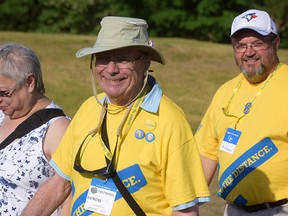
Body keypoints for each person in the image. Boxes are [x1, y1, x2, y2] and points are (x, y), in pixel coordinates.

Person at [21, 16, 210, 215]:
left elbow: (185, 210)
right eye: (103, 58)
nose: (111, 69)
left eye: (122, 59)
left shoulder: (169, 120)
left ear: (145, 62)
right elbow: (60, 183)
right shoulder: (89, 108)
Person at [195, 9, 288, 216]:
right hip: (233, 210)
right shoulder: (225, 91)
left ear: (276, 43)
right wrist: (187, 206)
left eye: (257, 43)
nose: (249, 52)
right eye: (241, 46)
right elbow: (206, 153)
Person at [0, 42, 71, 215]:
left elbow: (69, 194)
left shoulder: (57, 129)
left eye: (4, 93)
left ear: (30, 82)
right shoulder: (3, 114)